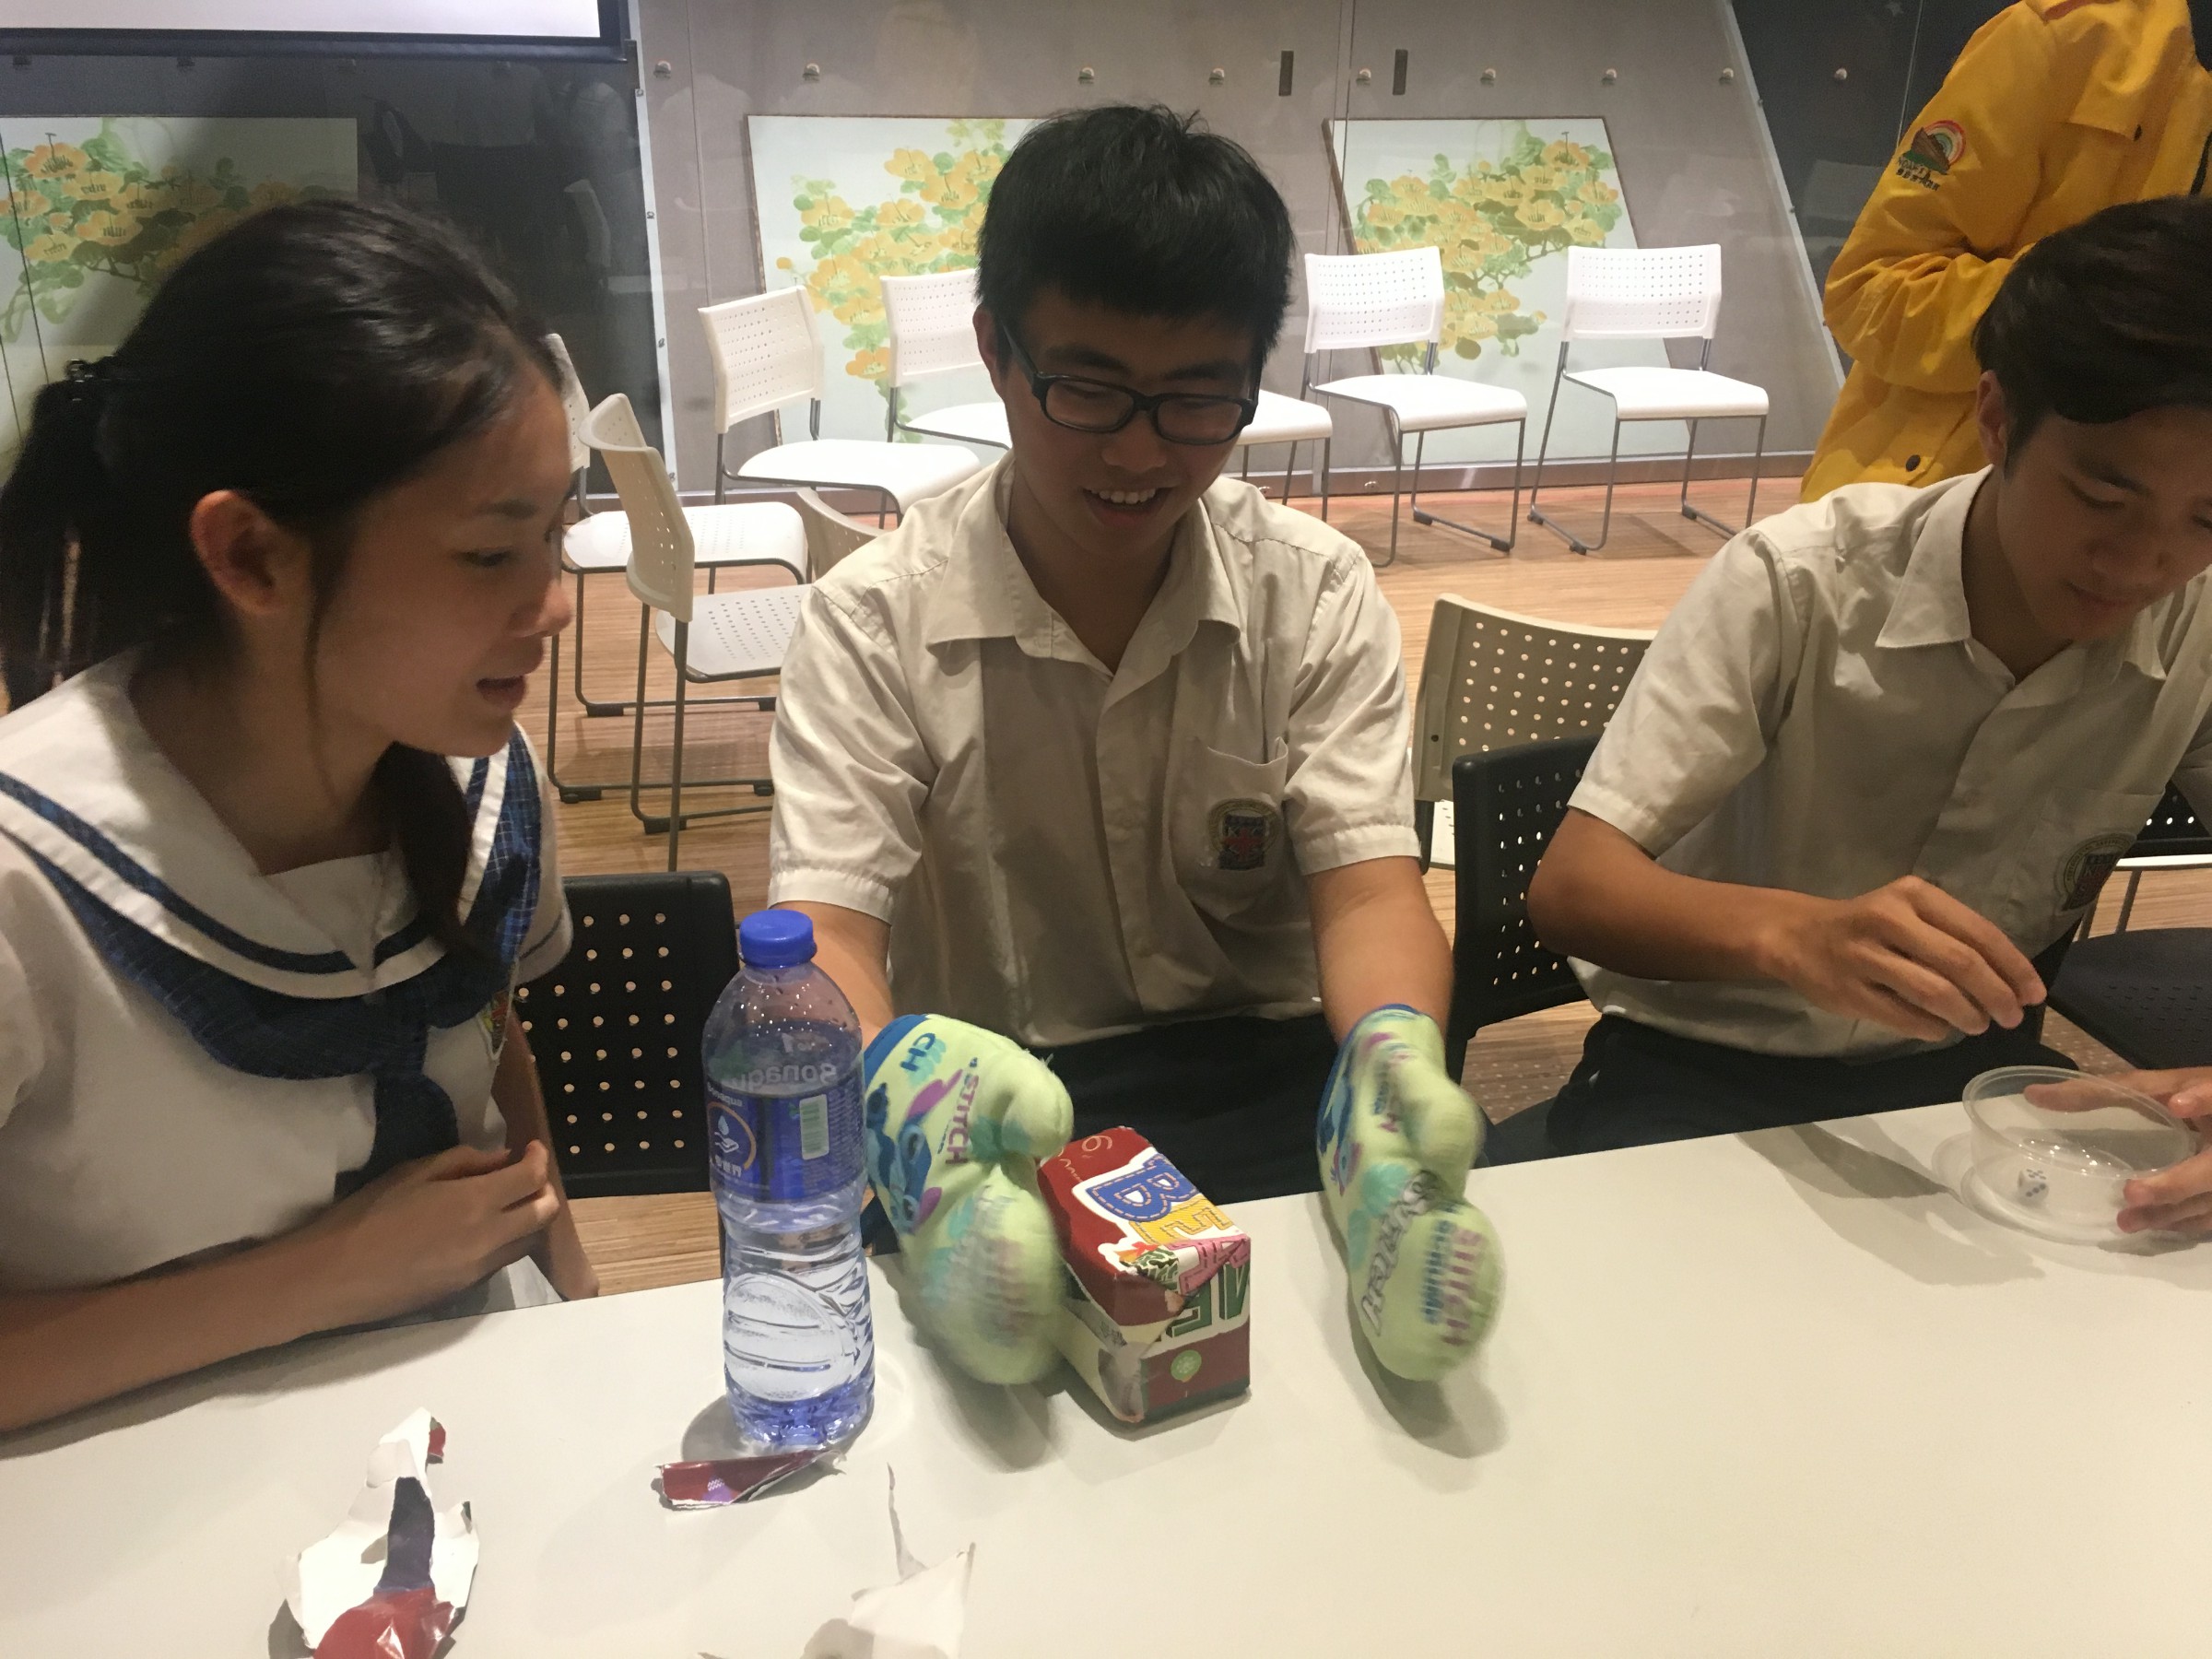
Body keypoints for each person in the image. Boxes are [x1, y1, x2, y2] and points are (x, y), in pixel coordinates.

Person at [767, 104, 1498, 1386]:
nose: (1140, 452)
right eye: (1090, 391)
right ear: (995, 350)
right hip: (996, 1107)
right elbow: (827, 932)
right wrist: (905, 1100)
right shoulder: (873, 618)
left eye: (1197, 400)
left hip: (1266, 1080)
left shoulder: (1312, 590)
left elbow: (1372, 890)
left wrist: (1391, 1061)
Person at [0, 199, 594, 1433]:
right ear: (252, 557)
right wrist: (322, 1279)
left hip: (477, 1441)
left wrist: (577, 1301)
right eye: (493, 554)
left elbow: (491, 1047)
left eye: (558, 533)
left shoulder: (482, 776)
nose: (555, 604)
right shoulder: (28, 877)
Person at [1520, 196, 2212, 1173]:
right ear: (1997, 418)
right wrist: (1796, 934)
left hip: (1972, 1075)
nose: (2145, 563)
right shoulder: (1802, 581)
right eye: (2102, 496)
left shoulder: (2199, 624)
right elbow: (1574, 888)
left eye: (2209, 521)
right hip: (1703, 1065)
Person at [1801, 0, 2212, 500]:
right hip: (1930, 506)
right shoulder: (2062, 37)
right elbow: (1869, 290)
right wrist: (2087, 305)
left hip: (2165, 529)